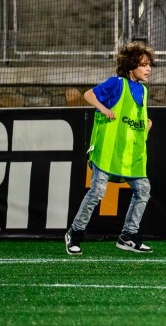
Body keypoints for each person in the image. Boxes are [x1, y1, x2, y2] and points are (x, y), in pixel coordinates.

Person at [64, 41, 156, 255]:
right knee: (97, 192)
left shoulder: (143, 91)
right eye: (143, 65)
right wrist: (103, 109)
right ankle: (75, 233)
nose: (148, 69)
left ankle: (128, 236)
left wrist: (147, 125)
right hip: (107, 152)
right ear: (131, 66)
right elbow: (88, 94)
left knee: (143, 190)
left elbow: (134, 122)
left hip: (131, 155)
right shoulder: (116, 83)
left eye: (149, 65)